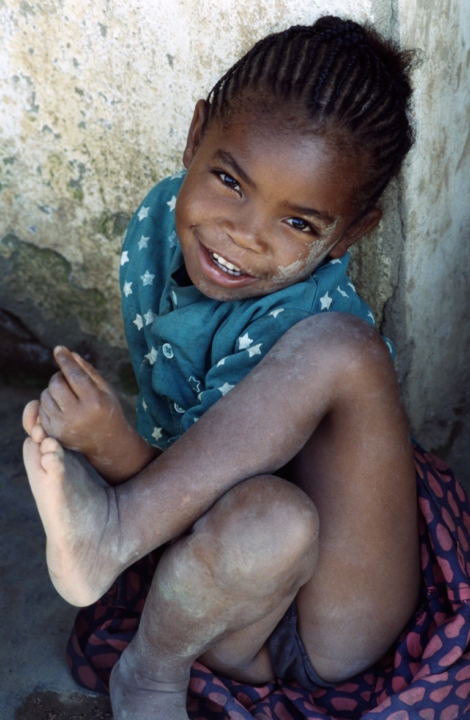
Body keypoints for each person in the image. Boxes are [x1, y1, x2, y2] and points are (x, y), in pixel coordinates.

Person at [22, 16, 470, 720]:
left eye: (298, 224)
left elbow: (179, 492)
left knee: (343, 347)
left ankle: (115, 529)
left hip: (339, 625)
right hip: (230, 606)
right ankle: (152, 671)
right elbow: (192, 494)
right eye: (230, 180)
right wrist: (117, 450)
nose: (244, 234)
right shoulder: (158, 229)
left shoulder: (307, 314)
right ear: (195, 134)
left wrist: (111, 447)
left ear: (350, 234)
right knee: (275, 519)